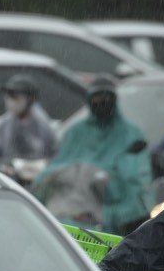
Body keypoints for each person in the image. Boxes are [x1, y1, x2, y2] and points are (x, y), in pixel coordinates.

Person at [38, 78, 151, 234]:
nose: (102, 102)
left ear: (115, 100)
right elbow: (54, 170)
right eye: (97, 98)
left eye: (106, 97)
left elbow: (136, 182)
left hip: (107, 210)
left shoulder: (130, 134)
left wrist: (109, 187)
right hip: (69, 210)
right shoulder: (75, 133)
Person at [0, 73, 59, 168]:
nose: (11, 101)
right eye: (9, 96)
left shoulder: (42, 125)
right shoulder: (4, 124)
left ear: (31, 99)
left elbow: (53, 154)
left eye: (15, 97)